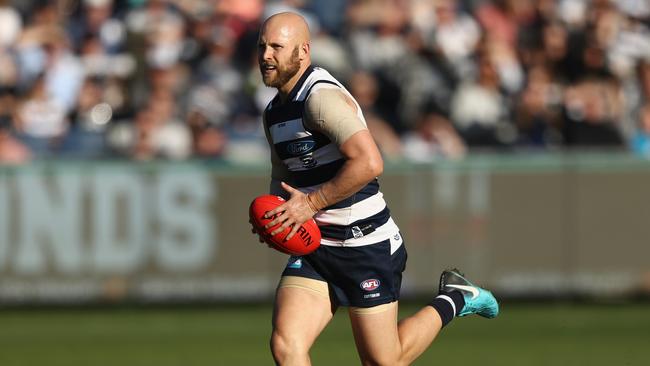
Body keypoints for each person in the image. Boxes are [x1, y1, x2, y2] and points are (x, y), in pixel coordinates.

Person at [252, 12, 499, 366]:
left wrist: (309, 205)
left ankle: (456, 298)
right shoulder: (274, 111)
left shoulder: (319, 99)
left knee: (384, 361)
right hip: (316, 245)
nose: (266, 55)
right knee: (286, 346)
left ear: (303, 52)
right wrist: (277, 217)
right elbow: (283, 177)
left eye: (277, 46)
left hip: (362, 242)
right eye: (262, 46)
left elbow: (370, 163)